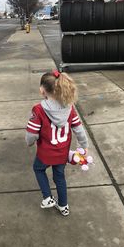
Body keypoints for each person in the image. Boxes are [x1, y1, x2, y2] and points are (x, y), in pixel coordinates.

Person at [25, 70, 88, 216]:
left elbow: (32, 134)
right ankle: (63, 206)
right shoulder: (69, 108)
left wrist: (29, 142)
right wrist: (83, 147)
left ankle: (47, 197)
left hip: (45, 153)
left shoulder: (39, 109)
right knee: (59, 177)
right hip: (62, 153)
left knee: (38, 169)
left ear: (42, 90)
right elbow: (79, 129)